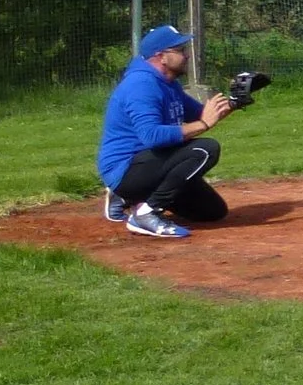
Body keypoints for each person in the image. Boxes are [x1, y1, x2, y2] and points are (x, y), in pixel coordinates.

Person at [96, 25, 233, 239]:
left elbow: (201, 114)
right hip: (126, 169)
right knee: (205, 149)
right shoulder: (141, 85)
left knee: (212, 212)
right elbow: (151, 136)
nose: (186, 55)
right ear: (161, 56)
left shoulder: (168, 83)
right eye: (179, 50)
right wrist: (203, 125)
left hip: (152, 163)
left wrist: (236, 100)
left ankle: (127, 199)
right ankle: (146, 213)